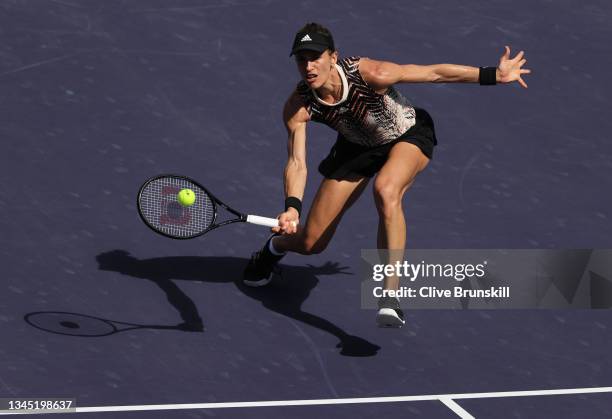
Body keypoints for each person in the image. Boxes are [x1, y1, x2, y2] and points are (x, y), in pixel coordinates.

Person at [243, 22, 530, 327]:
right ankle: (271, 250)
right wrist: (292, 207)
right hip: (356, 148)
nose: (309, 66)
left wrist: (493, 75)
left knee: (386, 190)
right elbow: (297, 163)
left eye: (315, 57)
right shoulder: (299, 105)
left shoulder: (372, 74)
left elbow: (433, 73)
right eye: (302, 59)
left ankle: (389, 296)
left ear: (333, 57)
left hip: (406, 135)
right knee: (311, 242)